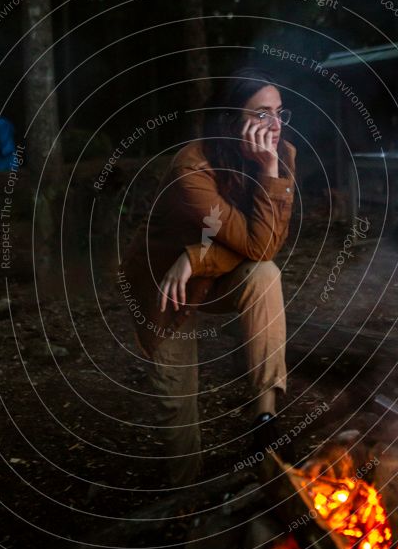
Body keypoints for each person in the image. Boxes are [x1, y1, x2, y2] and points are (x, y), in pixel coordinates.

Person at [118, 67, 297, 486]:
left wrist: (197, 258)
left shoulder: (282, 154)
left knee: (265, 273)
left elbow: (262, 248)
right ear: (230, 119)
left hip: (217, 272)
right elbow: (246, 239)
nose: (274, 125)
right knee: (175, 402)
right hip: (167, 285)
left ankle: (265, 422)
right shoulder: (191, 167)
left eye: (279, 113)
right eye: (261, 114)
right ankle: (187, 500)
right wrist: (189, 262)